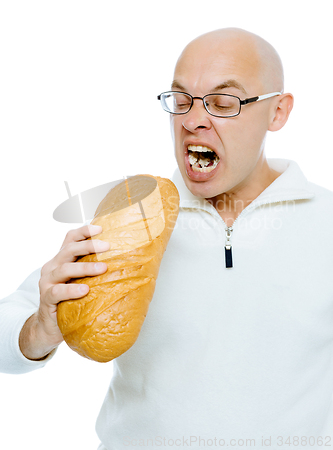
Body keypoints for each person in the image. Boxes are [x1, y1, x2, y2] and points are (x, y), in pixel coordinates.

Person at [1, 27, 333, 450]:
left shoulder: (327, 223)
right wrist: (39, 329)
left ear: (277, 112)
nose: (193, 120)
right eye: (181, 101)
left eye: (222, 102)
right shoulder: (130, 213)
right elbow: (6, 334)